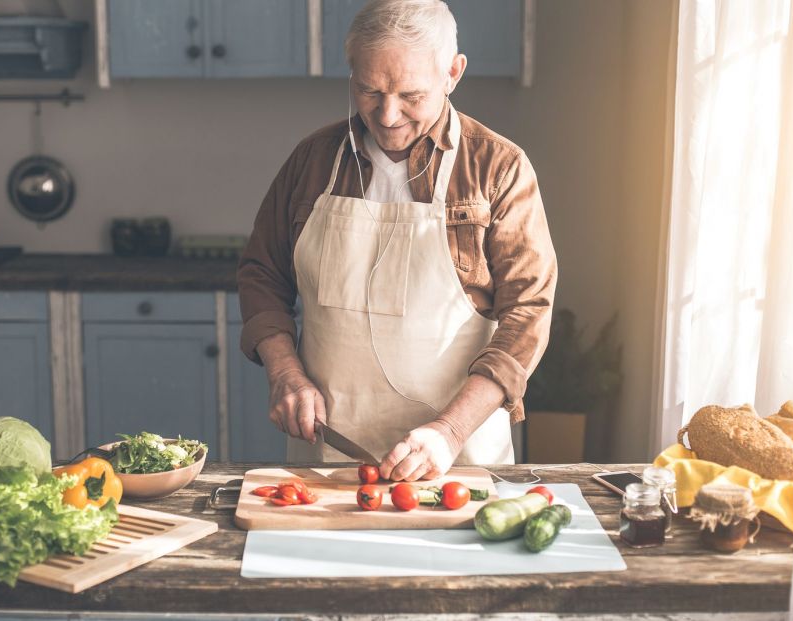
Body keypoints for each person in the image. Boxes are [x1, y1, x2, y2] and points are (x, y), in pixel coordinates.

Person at [237, 0, 557, 481]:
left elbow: (528, 311)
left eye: (411, 95)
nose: (387, 116)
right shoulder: (312, 161)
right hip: (329, 453)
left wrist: (450, 430)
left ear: (453, 73)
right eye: (369, 90)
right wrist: (285, 372)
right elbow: (262, 274)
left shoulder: (498, 168)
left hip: (456, 457)